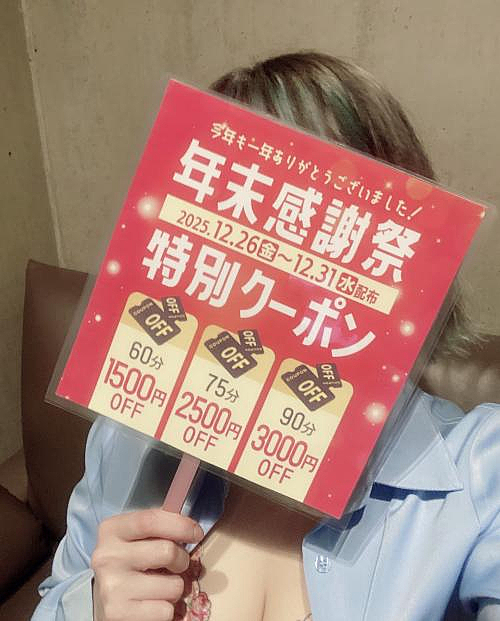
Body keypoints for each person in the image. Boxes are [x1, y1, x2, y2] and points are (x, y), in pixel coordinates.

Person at [31, 52, 500, 621]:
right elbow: (56, 596)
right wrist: (92, 607)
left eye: (324, 223)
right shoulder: (124, 437)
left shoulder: (481, 468)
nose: (279, 267)